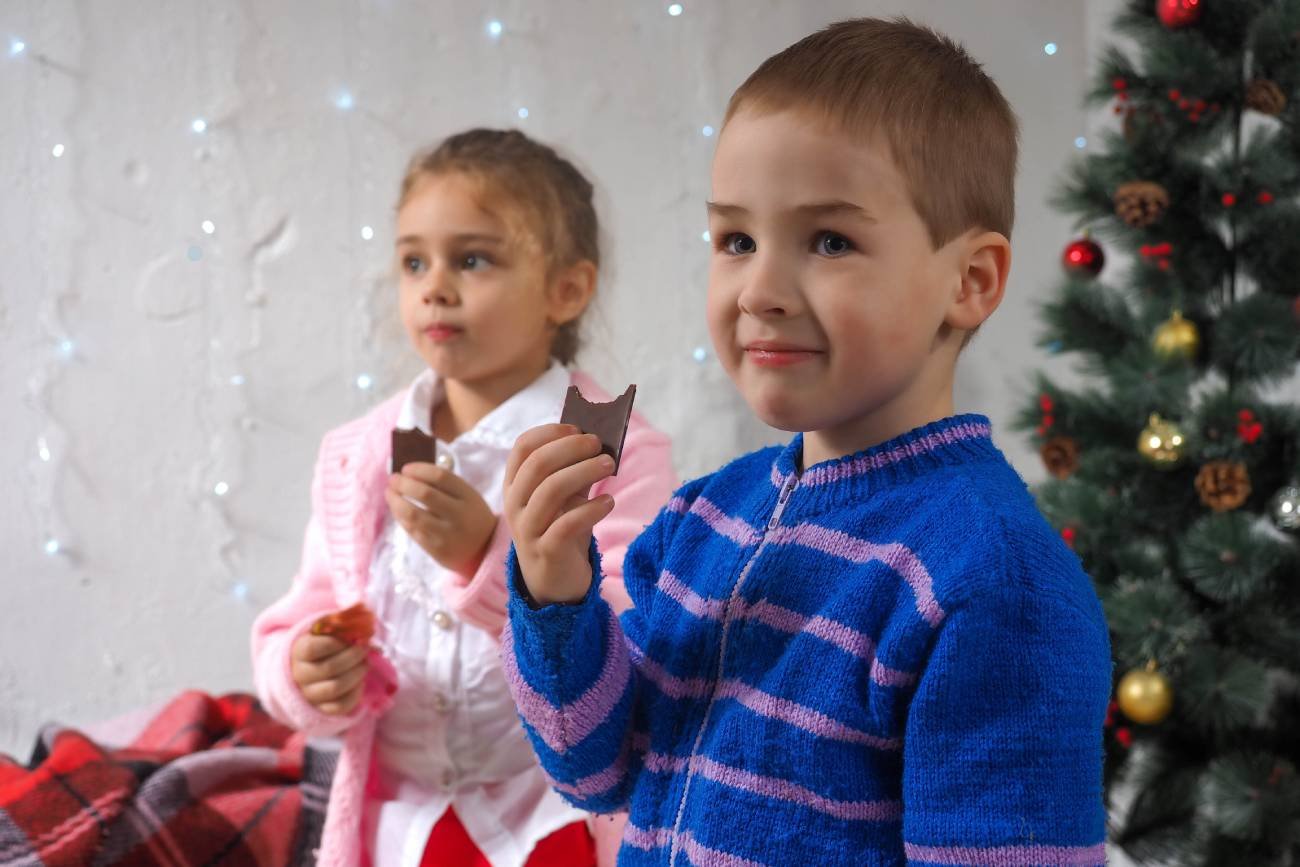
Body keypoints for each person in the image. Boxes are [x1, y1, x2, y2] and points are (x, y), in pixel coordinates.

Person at [501, 18, 1111, 866]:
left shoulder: (992, 582)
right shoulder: (703, 519)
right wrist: (557, 592)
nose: (760, 289)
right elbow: (594, 769)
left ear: (969, 282)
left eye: (830, 241)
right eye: (737, 240)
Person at [252, 128, 675, 867]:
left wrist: (490, 555)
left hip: (550, 816)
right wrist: (305, 669)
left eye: (472, 258)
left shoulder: (610, 448)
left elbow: (631, 654)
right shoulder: (359, 453)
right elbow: (303, 611)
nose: (434, 285)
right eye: (415, 259)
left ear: (565, 290)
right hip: (397, 824)